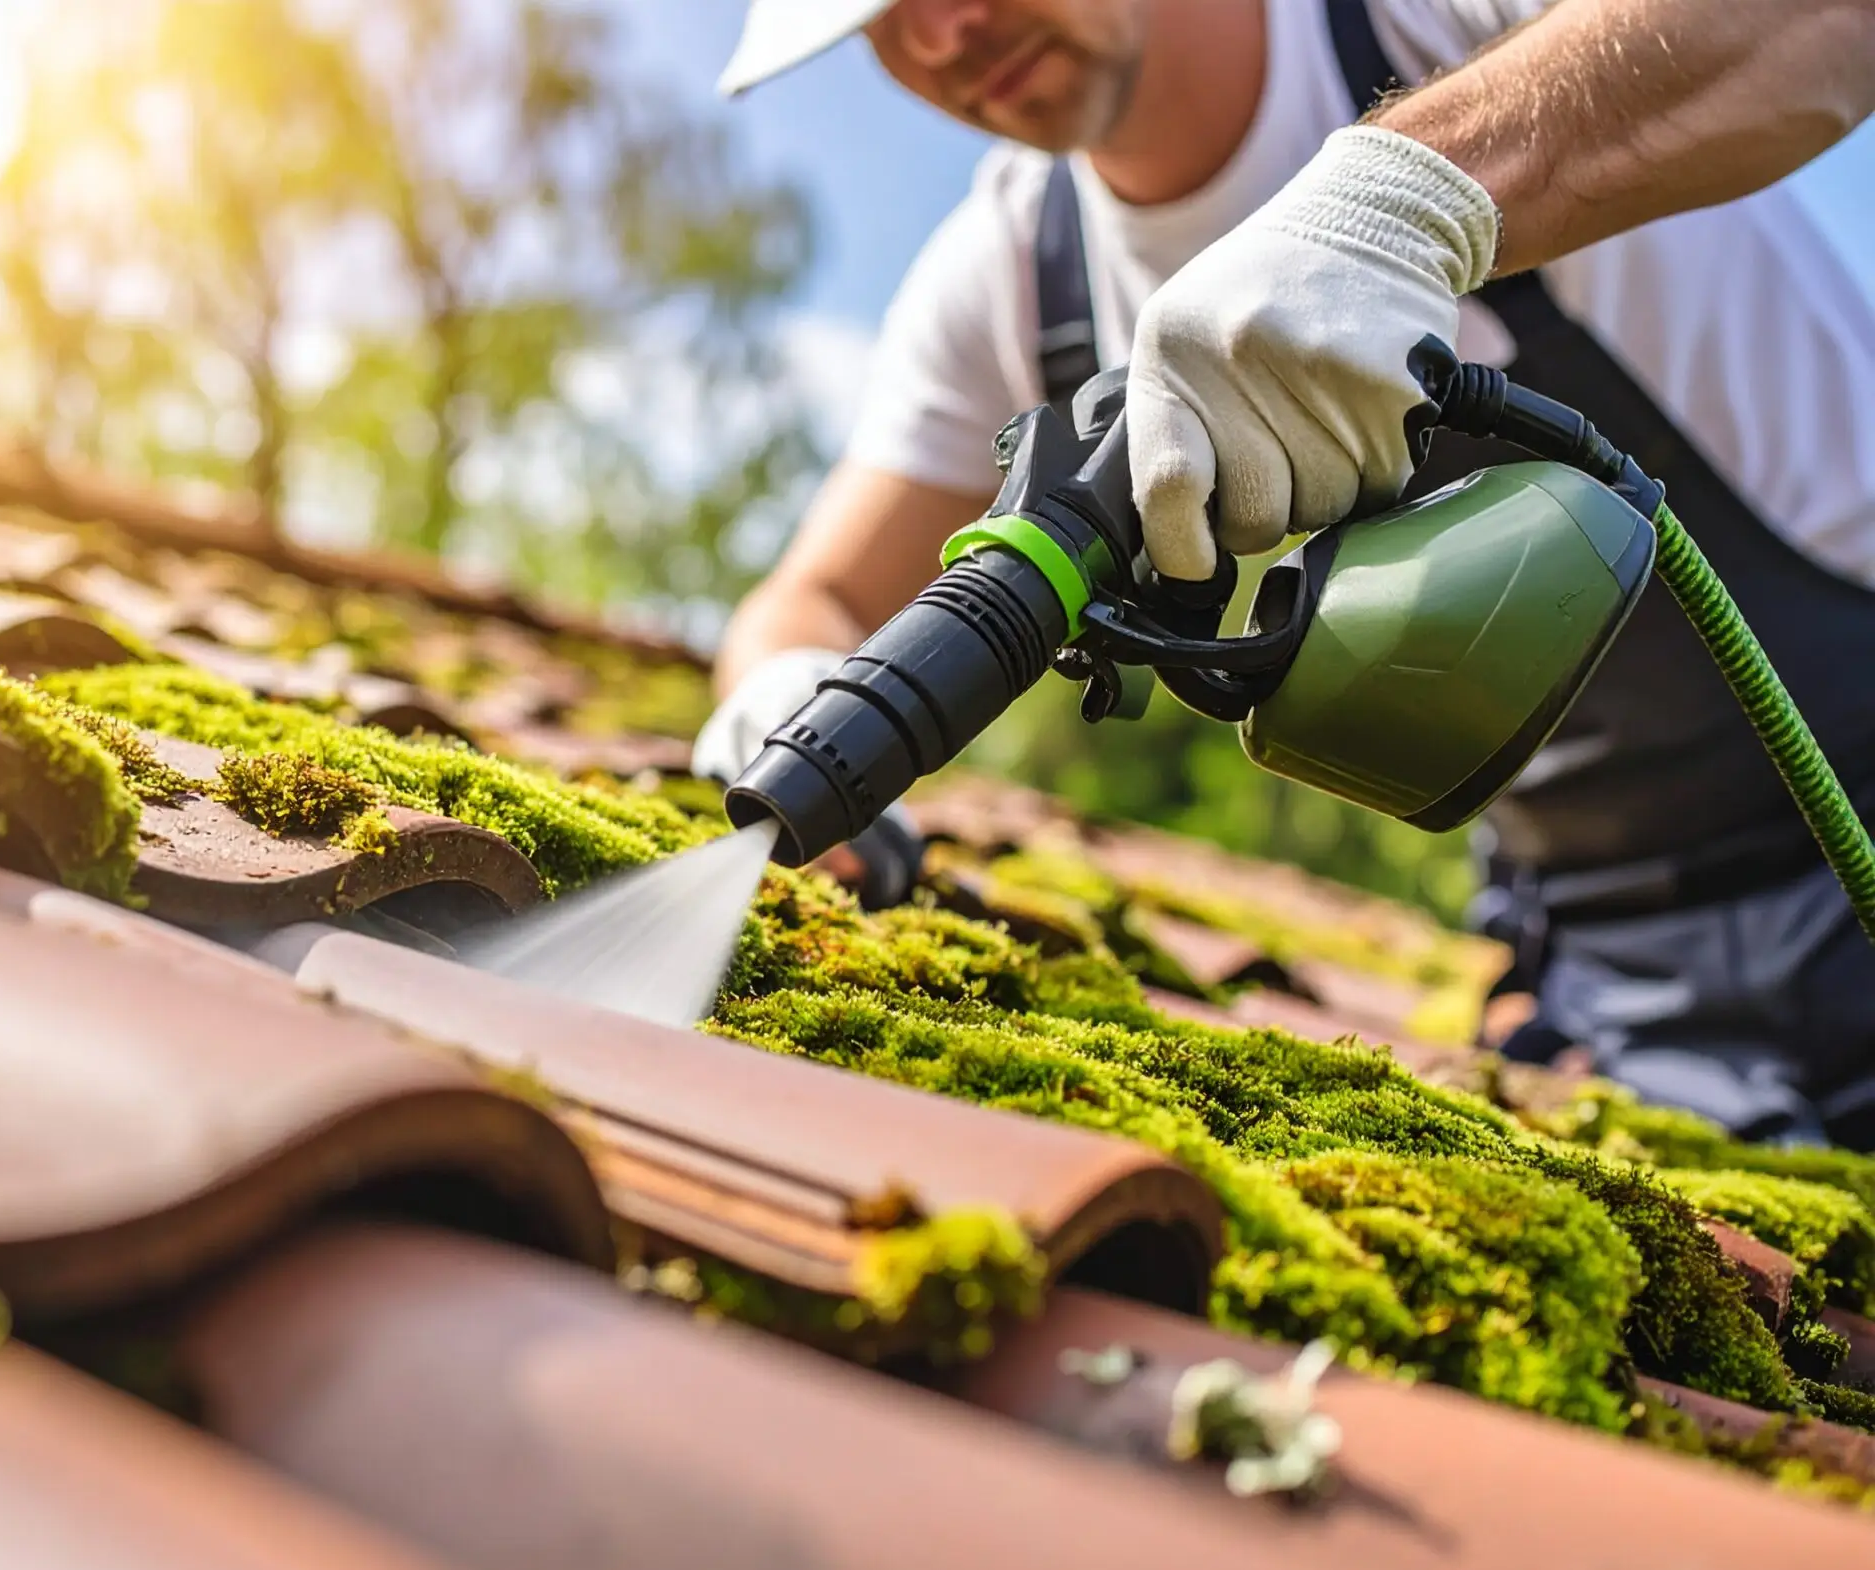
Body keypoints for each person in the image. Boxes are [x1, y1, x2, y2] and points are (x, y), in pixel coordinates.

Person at [692, 0, 1875, 1144]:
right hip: (1618, 962)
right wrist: (783, 693)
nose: (939, 34)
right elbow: (812, 600)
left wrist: (1404, 198)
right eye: (871, 21)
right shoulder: (1015, 275)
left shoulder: (1416, 21)